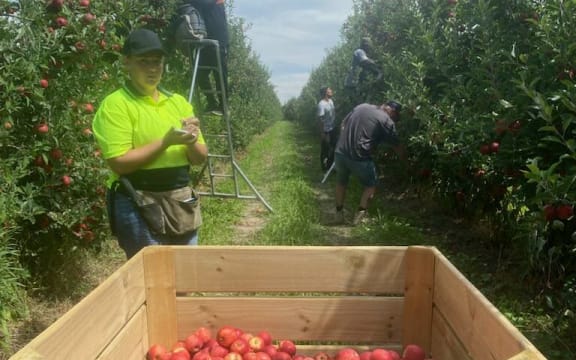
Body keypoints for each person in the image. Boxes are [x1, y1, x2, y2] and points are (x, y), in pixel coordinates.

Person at [92, 28, 208, 258]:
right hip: (138, 202)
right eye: (143, 62)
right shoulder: (116, 105)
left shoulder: (178, 103)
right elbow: (120, 163)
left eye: (157, 62)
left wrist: (191, 141)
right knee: (150, 280)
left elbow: (199, 158)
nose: (152, 69)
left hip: (180, 200)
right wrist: (165, 142)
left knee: (185, 272)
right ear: (127, 62)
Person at [333, 100, 405, 225]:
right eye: (395, 116)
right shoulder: (386, 120)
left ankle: (338, 214)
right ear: (391, 111)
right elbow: (396, 145)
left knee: (341, 182)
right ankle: (360, 216)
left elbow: (343, 123)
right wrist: (406, 161)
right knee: (371, 185)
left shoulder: (362, 106)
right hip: (359, 156)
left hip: (340, 152)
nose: (394, 119)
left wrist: (345, 139)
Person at [189, 0, 229, 115]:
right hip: (205, 42)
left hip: (219, 42)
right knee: (199, 74)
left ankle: (223, 106)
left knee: (220, 75)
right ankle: (211, 102)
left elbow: (202, 3)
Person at [317, 86, 337, 171]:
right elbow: (320, 119)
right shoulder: (321, 104)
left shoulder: (331, 101)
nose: (331, 91)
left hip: (332, 128)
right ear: (326, 92)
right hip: (326, 131)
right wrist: (322, 133)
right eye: (330, 90)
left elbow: (332, 112)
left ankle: (330, 166)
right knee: (326, 149)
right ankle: (324, 167)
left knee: (333, 148)